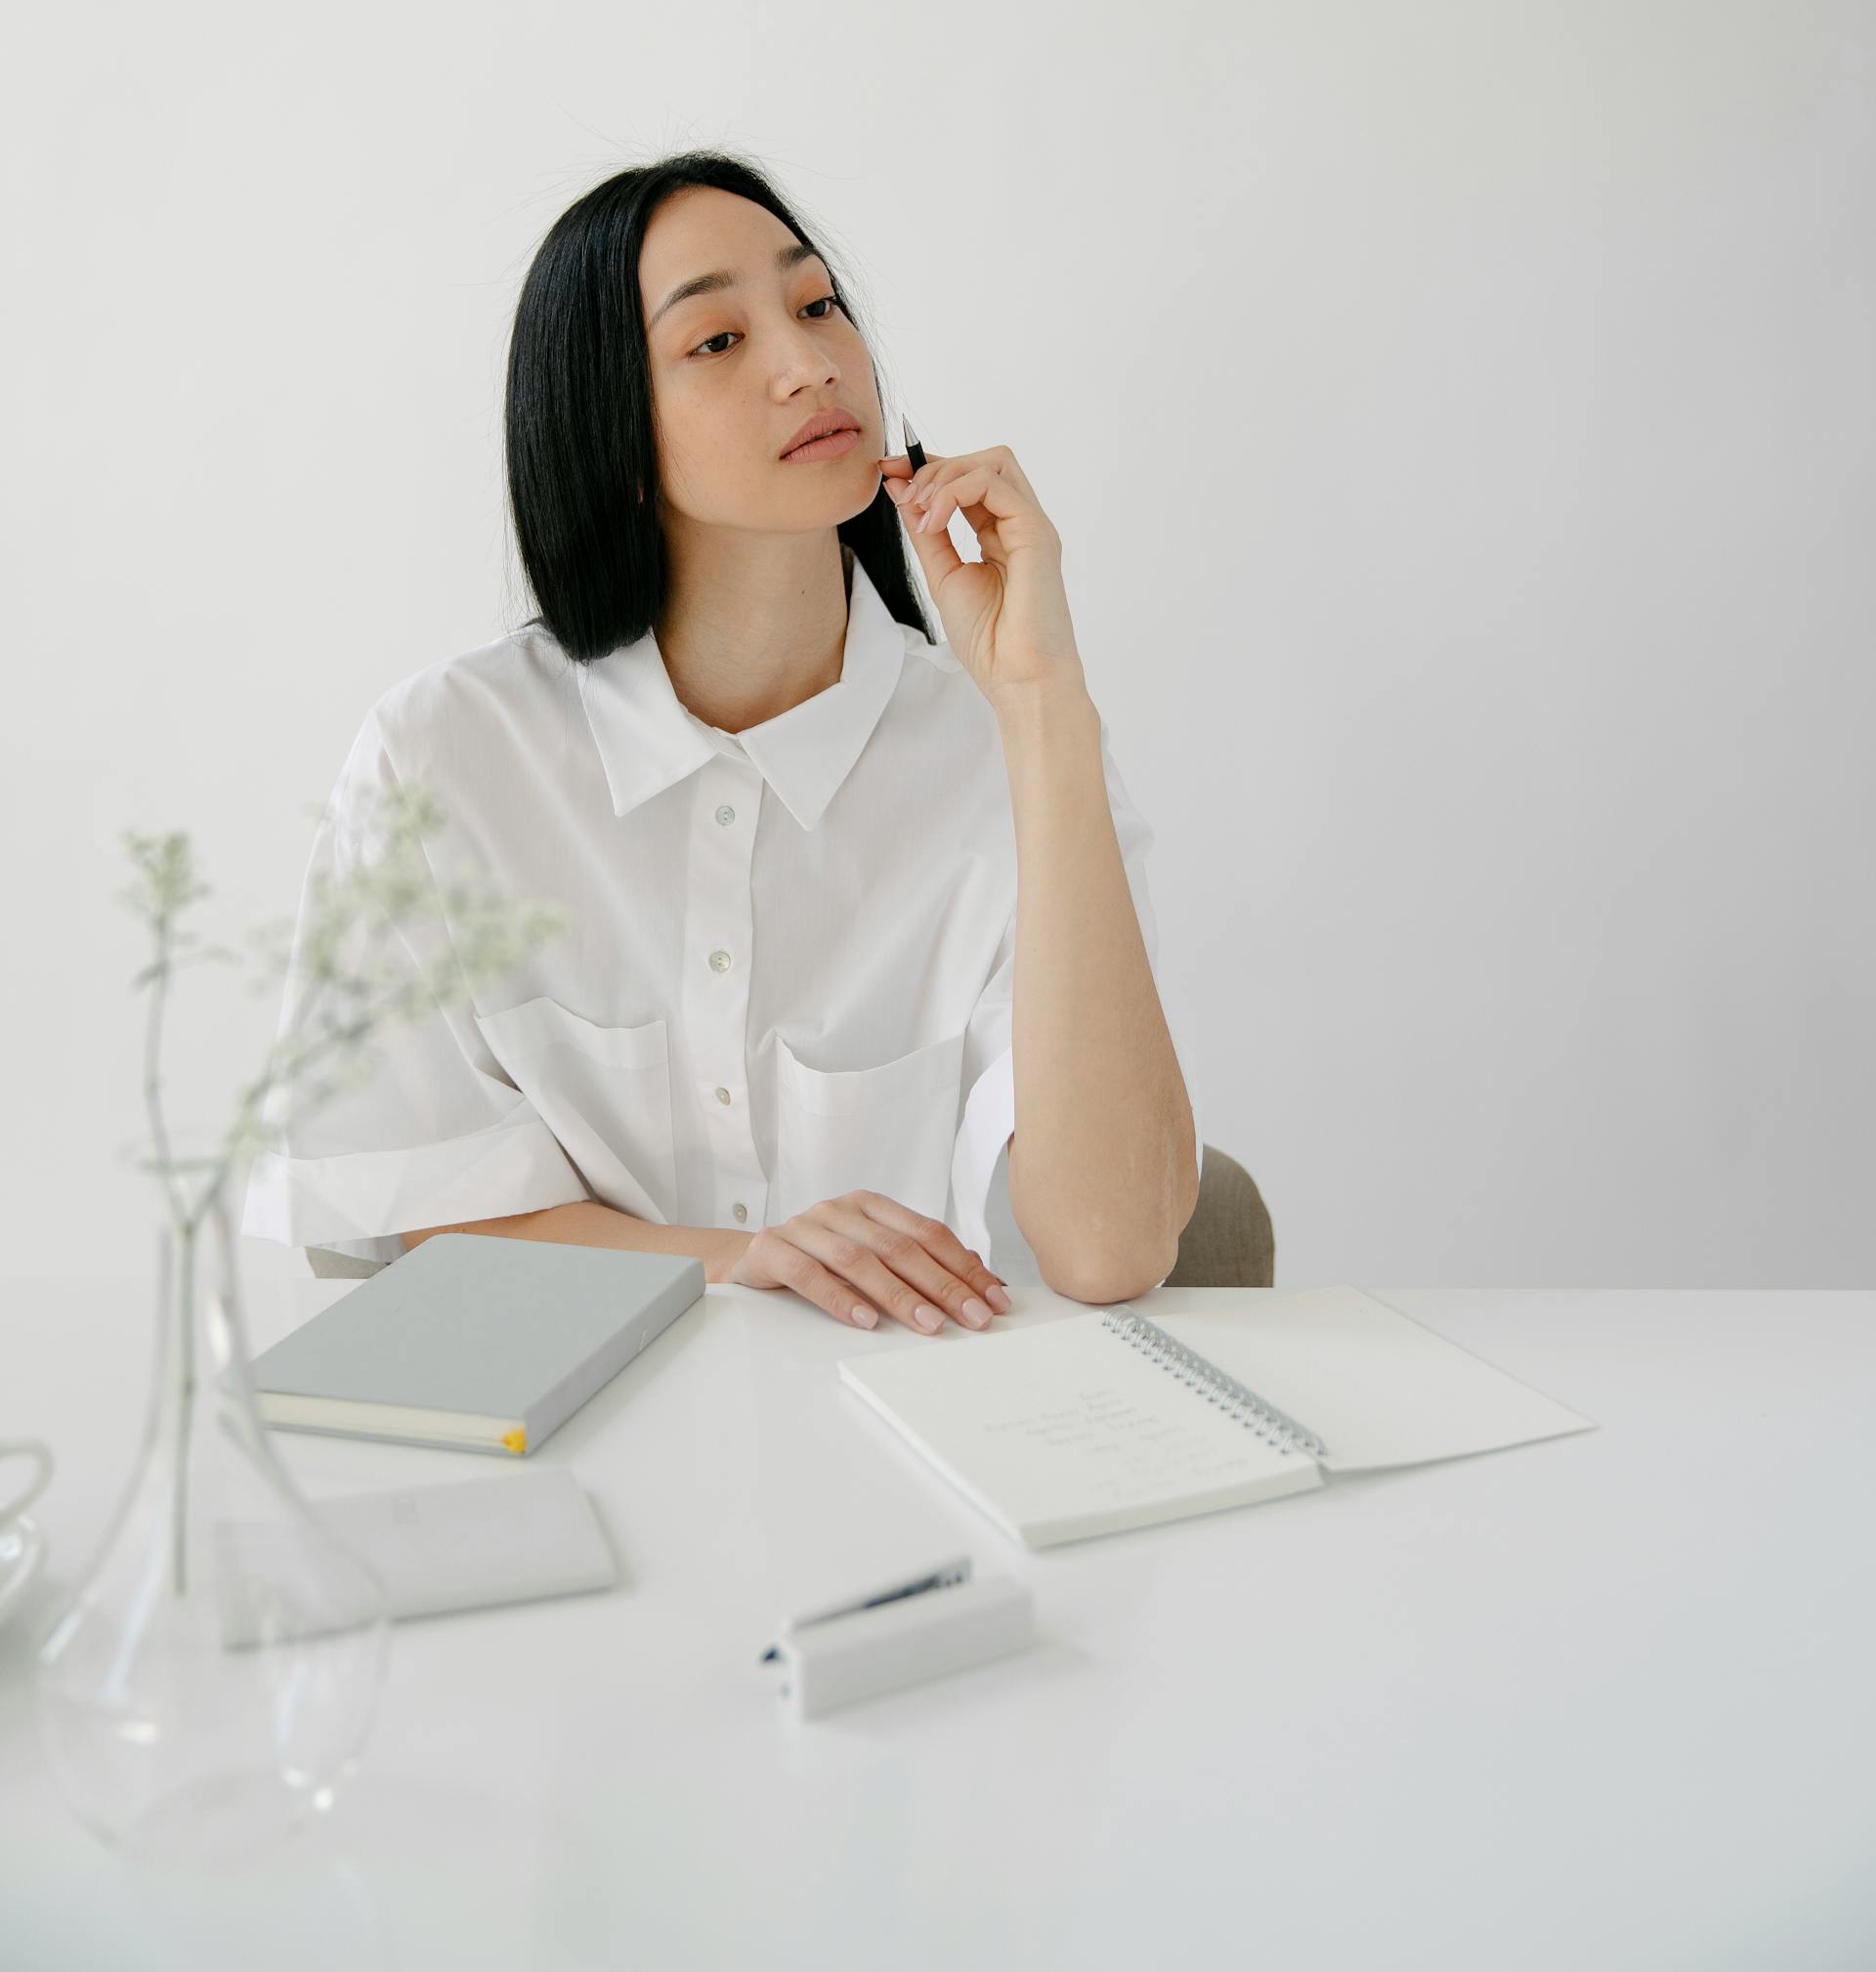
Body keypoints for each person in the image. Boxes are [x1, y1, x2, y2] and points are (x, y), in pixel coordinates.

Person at [243, 150, 1203, 1330]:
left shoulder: (1008, 751)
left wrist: (1044, 703)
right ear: (611, 435)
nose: (810, 366)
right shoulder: (444, 757)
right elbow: (416, 1198)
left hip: (913, 1447)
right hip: (570, 1445)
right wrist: (734, 1260)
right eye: (717, 342)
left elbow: (1112, 1247)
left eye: (816, 307)